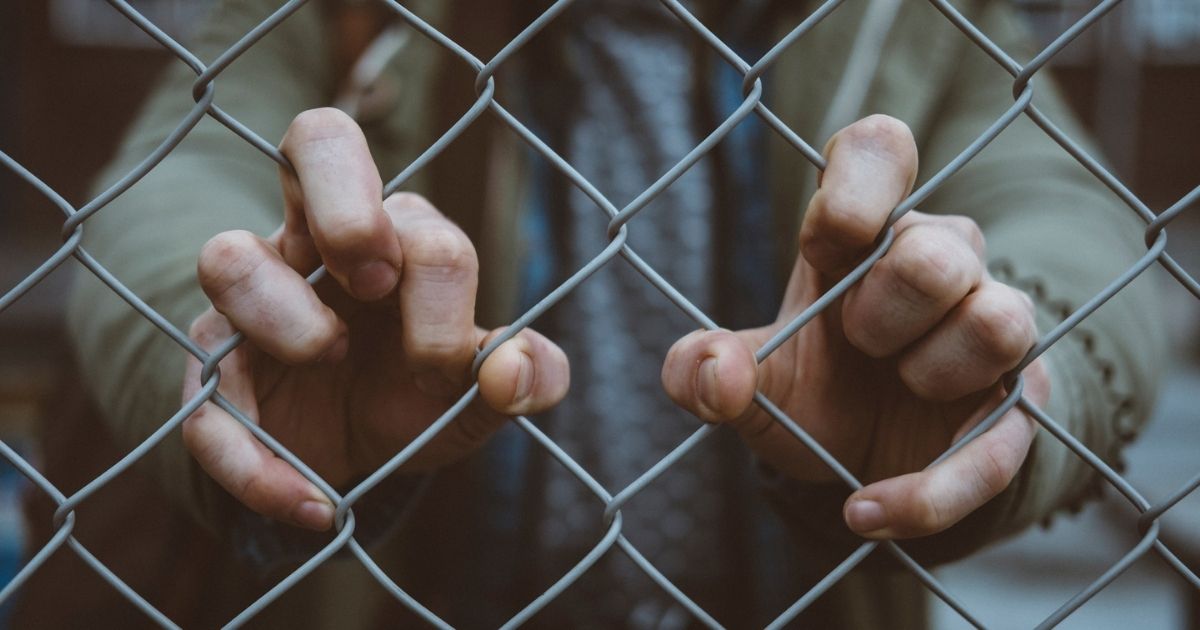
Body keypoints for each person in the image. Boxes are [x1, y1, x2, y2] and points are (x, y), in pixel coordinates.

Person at [15, 0, 1163, 627]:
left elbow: (1070, 216)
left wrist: (1012, 365)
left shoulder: (909, 21)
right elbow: (166, 192)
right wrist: (235, 341)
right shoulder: (353, 18)